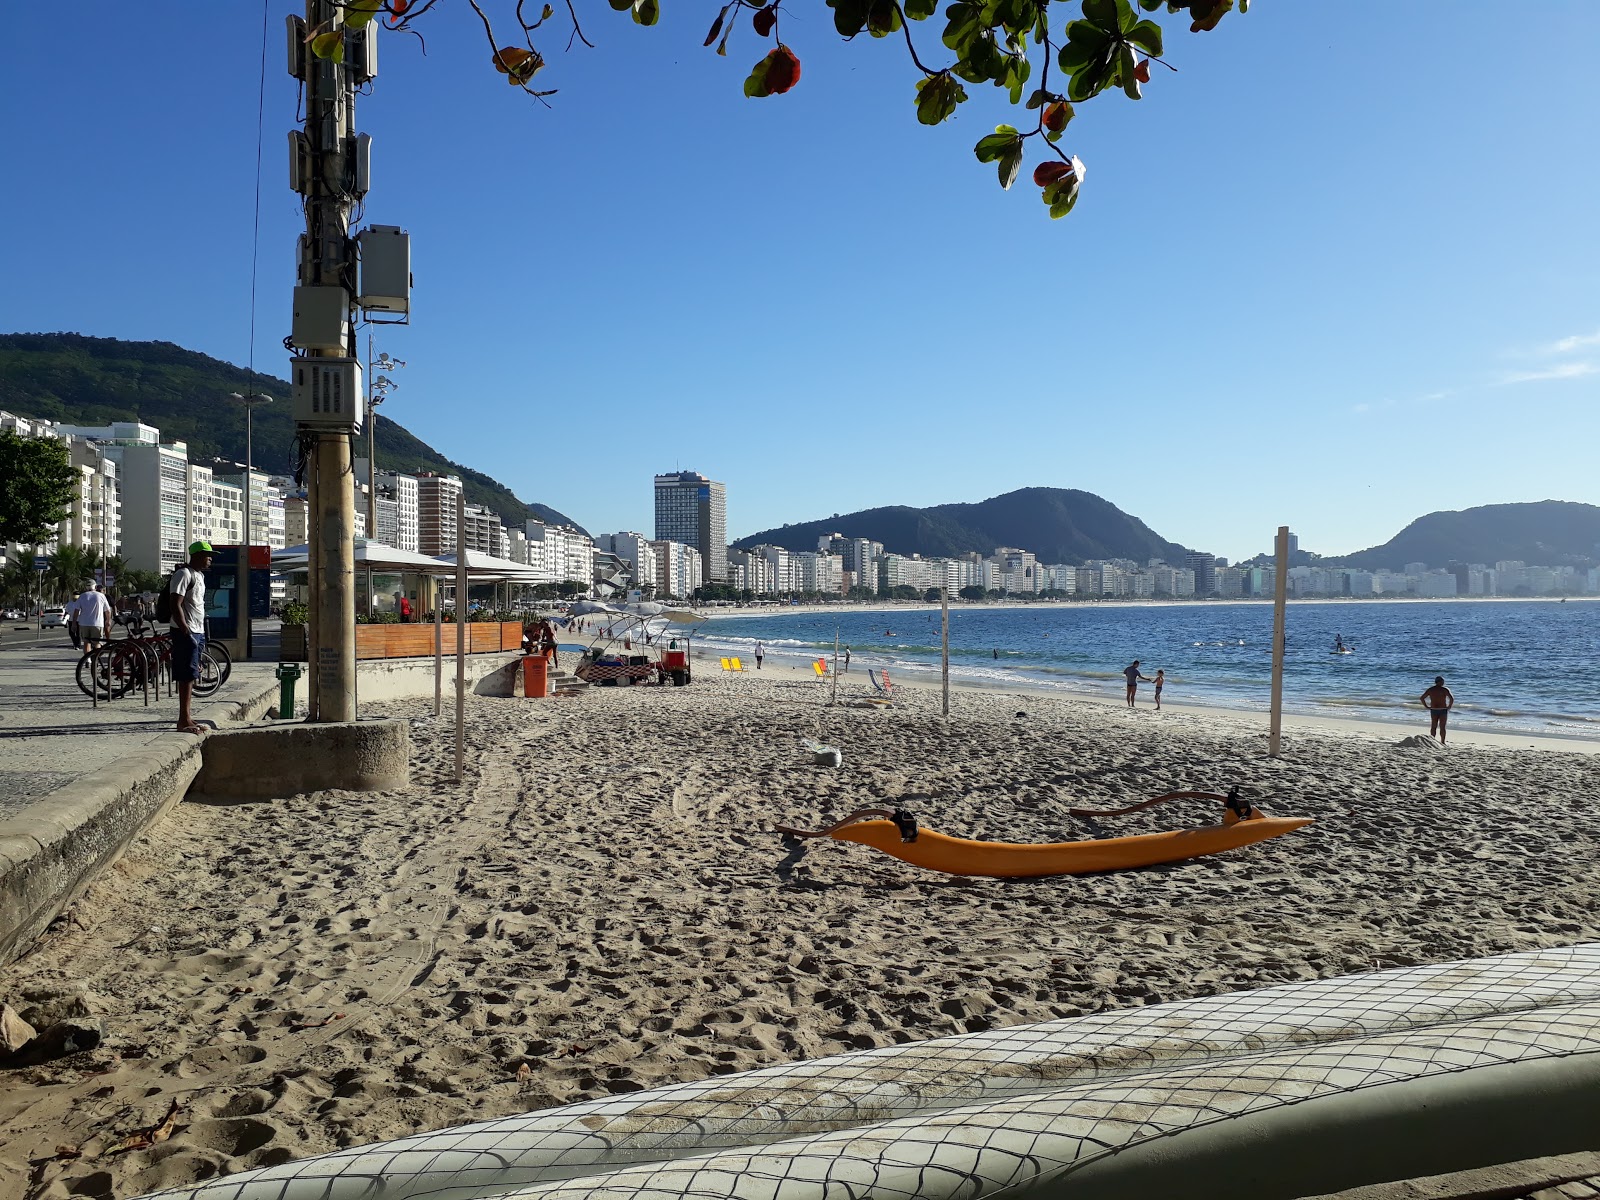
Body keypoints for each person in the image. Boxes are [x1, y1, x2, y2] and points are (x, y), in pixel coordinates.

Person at [169, 541, 214, 735]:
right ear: (196, 555)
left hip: (198, 630)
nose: (210, 559)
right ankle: (183, 720)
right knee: (187, 676)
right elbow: (175, 603)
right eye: (207, 555)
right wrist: (185, 630)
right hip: (185, 631)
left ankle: (187, 716)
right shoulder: (183, 574)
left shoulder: (200, 576)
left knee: (193, 672)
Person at [74, 581, 112, 657]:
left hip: (84, 623)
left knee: (86, 643)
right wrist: (108, 620)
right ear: (95, 587)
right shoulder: (101, 596)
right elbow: (108, 610)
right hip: (97, 623)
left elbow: (76, 611)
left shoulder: (82, 596)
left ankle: (88, 660)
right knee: (97, 643)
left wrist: (74, 623)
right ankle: (96, 659)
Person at [1420, 676, 1454, 744]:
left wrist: (1426, 706)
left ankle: (1433, 741)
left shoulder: (1431, 689)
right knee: (1442, 726)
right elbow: (1451, 698)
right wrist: (1449, 706)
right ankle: (1442, 741)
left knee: (1434, 726)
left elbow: (1422, 698)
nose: (1443, 683)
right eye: (1442, 681)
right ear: (1440, 682)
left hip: (1434, 709)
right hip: (1442, 709)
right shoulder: (1444, 689)